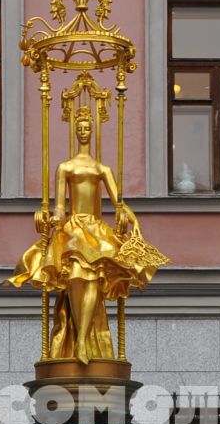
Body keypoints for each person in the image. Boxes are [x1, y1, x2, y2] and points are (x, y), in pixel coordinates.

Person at [9, 112, 167, 365]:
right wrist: (53, 220)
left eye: (86, 127)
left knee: (94, 280)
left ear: (91, 131)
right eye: (79, 127)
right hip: (73, 230)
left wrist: (132, 220)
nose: (83, 130)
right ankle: (79, 339)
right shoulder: (65, 167)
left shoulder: (102, 168)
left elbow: (119, 203)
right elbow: (60, 205)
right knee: (75, 277)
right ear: (75, 131)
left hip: (96, 230)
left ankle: (82, 340)